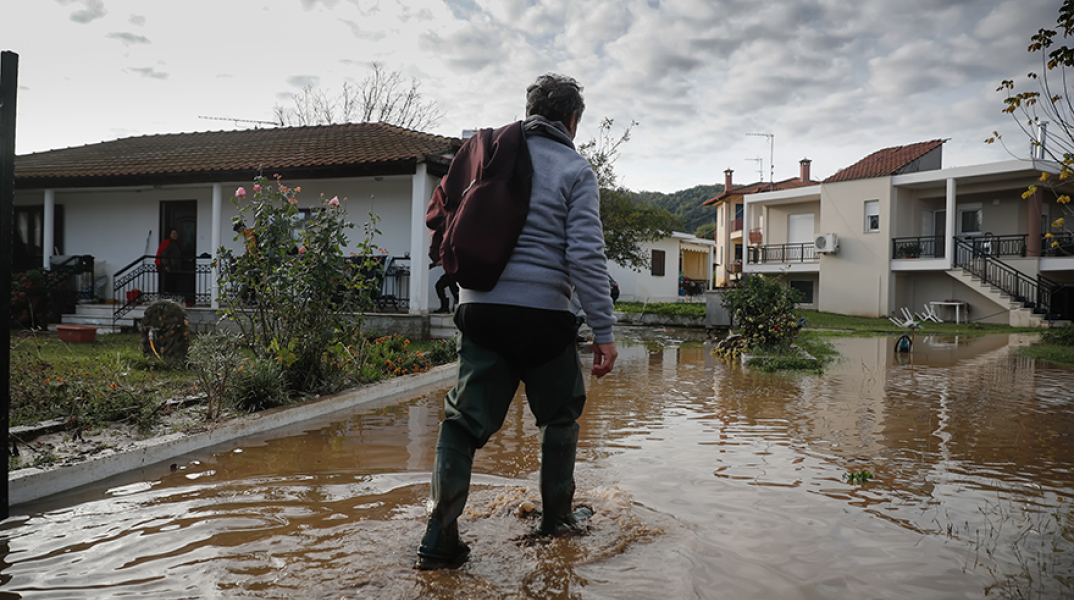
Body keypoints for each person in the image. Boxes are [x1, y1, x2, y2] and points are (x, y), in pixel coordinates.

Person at [416, 73, 618, 570]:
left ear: (529, 112)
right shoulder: (575, 169)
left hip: (480, 309)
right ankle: (557, 520)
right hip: (545, 317)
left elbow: (443, 217)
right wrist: (605, 332)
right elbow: (585, 256)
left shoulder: (485, 153)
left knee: (462, 423)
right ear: (573, 119)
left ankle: (439, 538)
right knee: (559, 416)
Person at [155, 228, 181, 299]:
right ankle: (166, 297)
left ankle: (173, 297)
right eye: (173, 234)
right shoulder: (167, 243)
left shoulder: (175, 243)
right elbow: (163, 255)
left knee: (173, 283)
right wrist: (166, 265)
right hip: (168, 267)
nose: (175, 235)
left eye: (176, 234)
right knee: (168, 283)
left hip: (174, 267)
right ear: (170, 235)